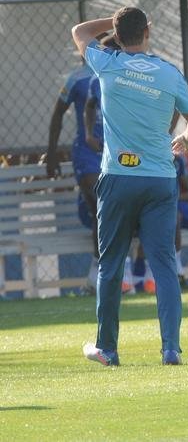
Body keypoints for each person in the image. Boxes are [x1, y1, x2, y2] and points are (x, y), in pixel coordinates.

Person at [71, 7, 188, 367]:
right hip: (160, 178)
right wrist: (187, 141)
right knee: (163, 263)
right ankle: (171, 348)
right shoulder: (169, 72)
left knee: (111, 263)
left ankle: (108, 349)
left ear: (117, 33)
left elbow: (80, 31)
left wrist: (108, 24)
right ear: (148, 31)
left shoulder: (107, 63)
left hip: (118, 177)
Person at [46, 39, 106, 289]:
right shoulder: (76, 78)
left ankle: (113, 274)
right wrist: (51, 153)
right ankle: (99, 275)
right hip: (86, 153)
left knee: (112, 209)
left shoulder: (118, 75)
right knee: (101, 204)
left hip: (114, 152)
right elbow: (59, 112)